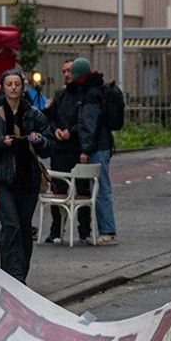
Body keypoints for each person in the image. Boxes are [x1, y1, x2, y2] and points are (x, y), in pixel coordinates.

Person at [0, 68, 51, 282]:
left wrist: (39, 141)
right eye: (9, 84)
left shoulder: (35, 114)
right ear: (2, 87)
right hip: (2, 179)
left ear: (23, 87)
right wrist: (0, 142)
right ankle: (11, 275)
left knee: (22, 226)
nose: (13, 88)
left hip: (28, 179)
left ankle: (20, 275)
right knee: (10, 224)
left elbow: (48, 147)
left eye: (17, 84)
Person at [50, 57, 117, 245]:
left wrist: (85, 150)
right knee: (98, 188)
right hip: (103, 145)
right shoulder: (97, 90)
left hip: (97, 147)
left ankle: (107, 231)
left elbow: (89, 124)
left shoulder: (89, 95)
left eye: (71, 72)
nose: (68, 75)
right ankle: (103, 230)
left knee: (100, 188)